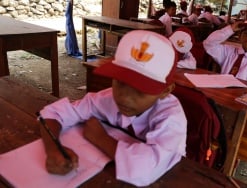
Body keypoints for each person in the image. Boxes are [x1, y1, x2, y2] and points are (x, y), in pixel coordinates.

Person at [38, 30, 187, 187]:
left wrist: (100, 138)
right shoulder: (107, 99)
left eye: (141, 89)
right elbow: (52, 113)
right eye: (120, 82)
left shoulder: (171, 118)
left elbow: (145, 168)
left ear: (166, 91)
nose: (124, 97)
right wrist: (52, 148)